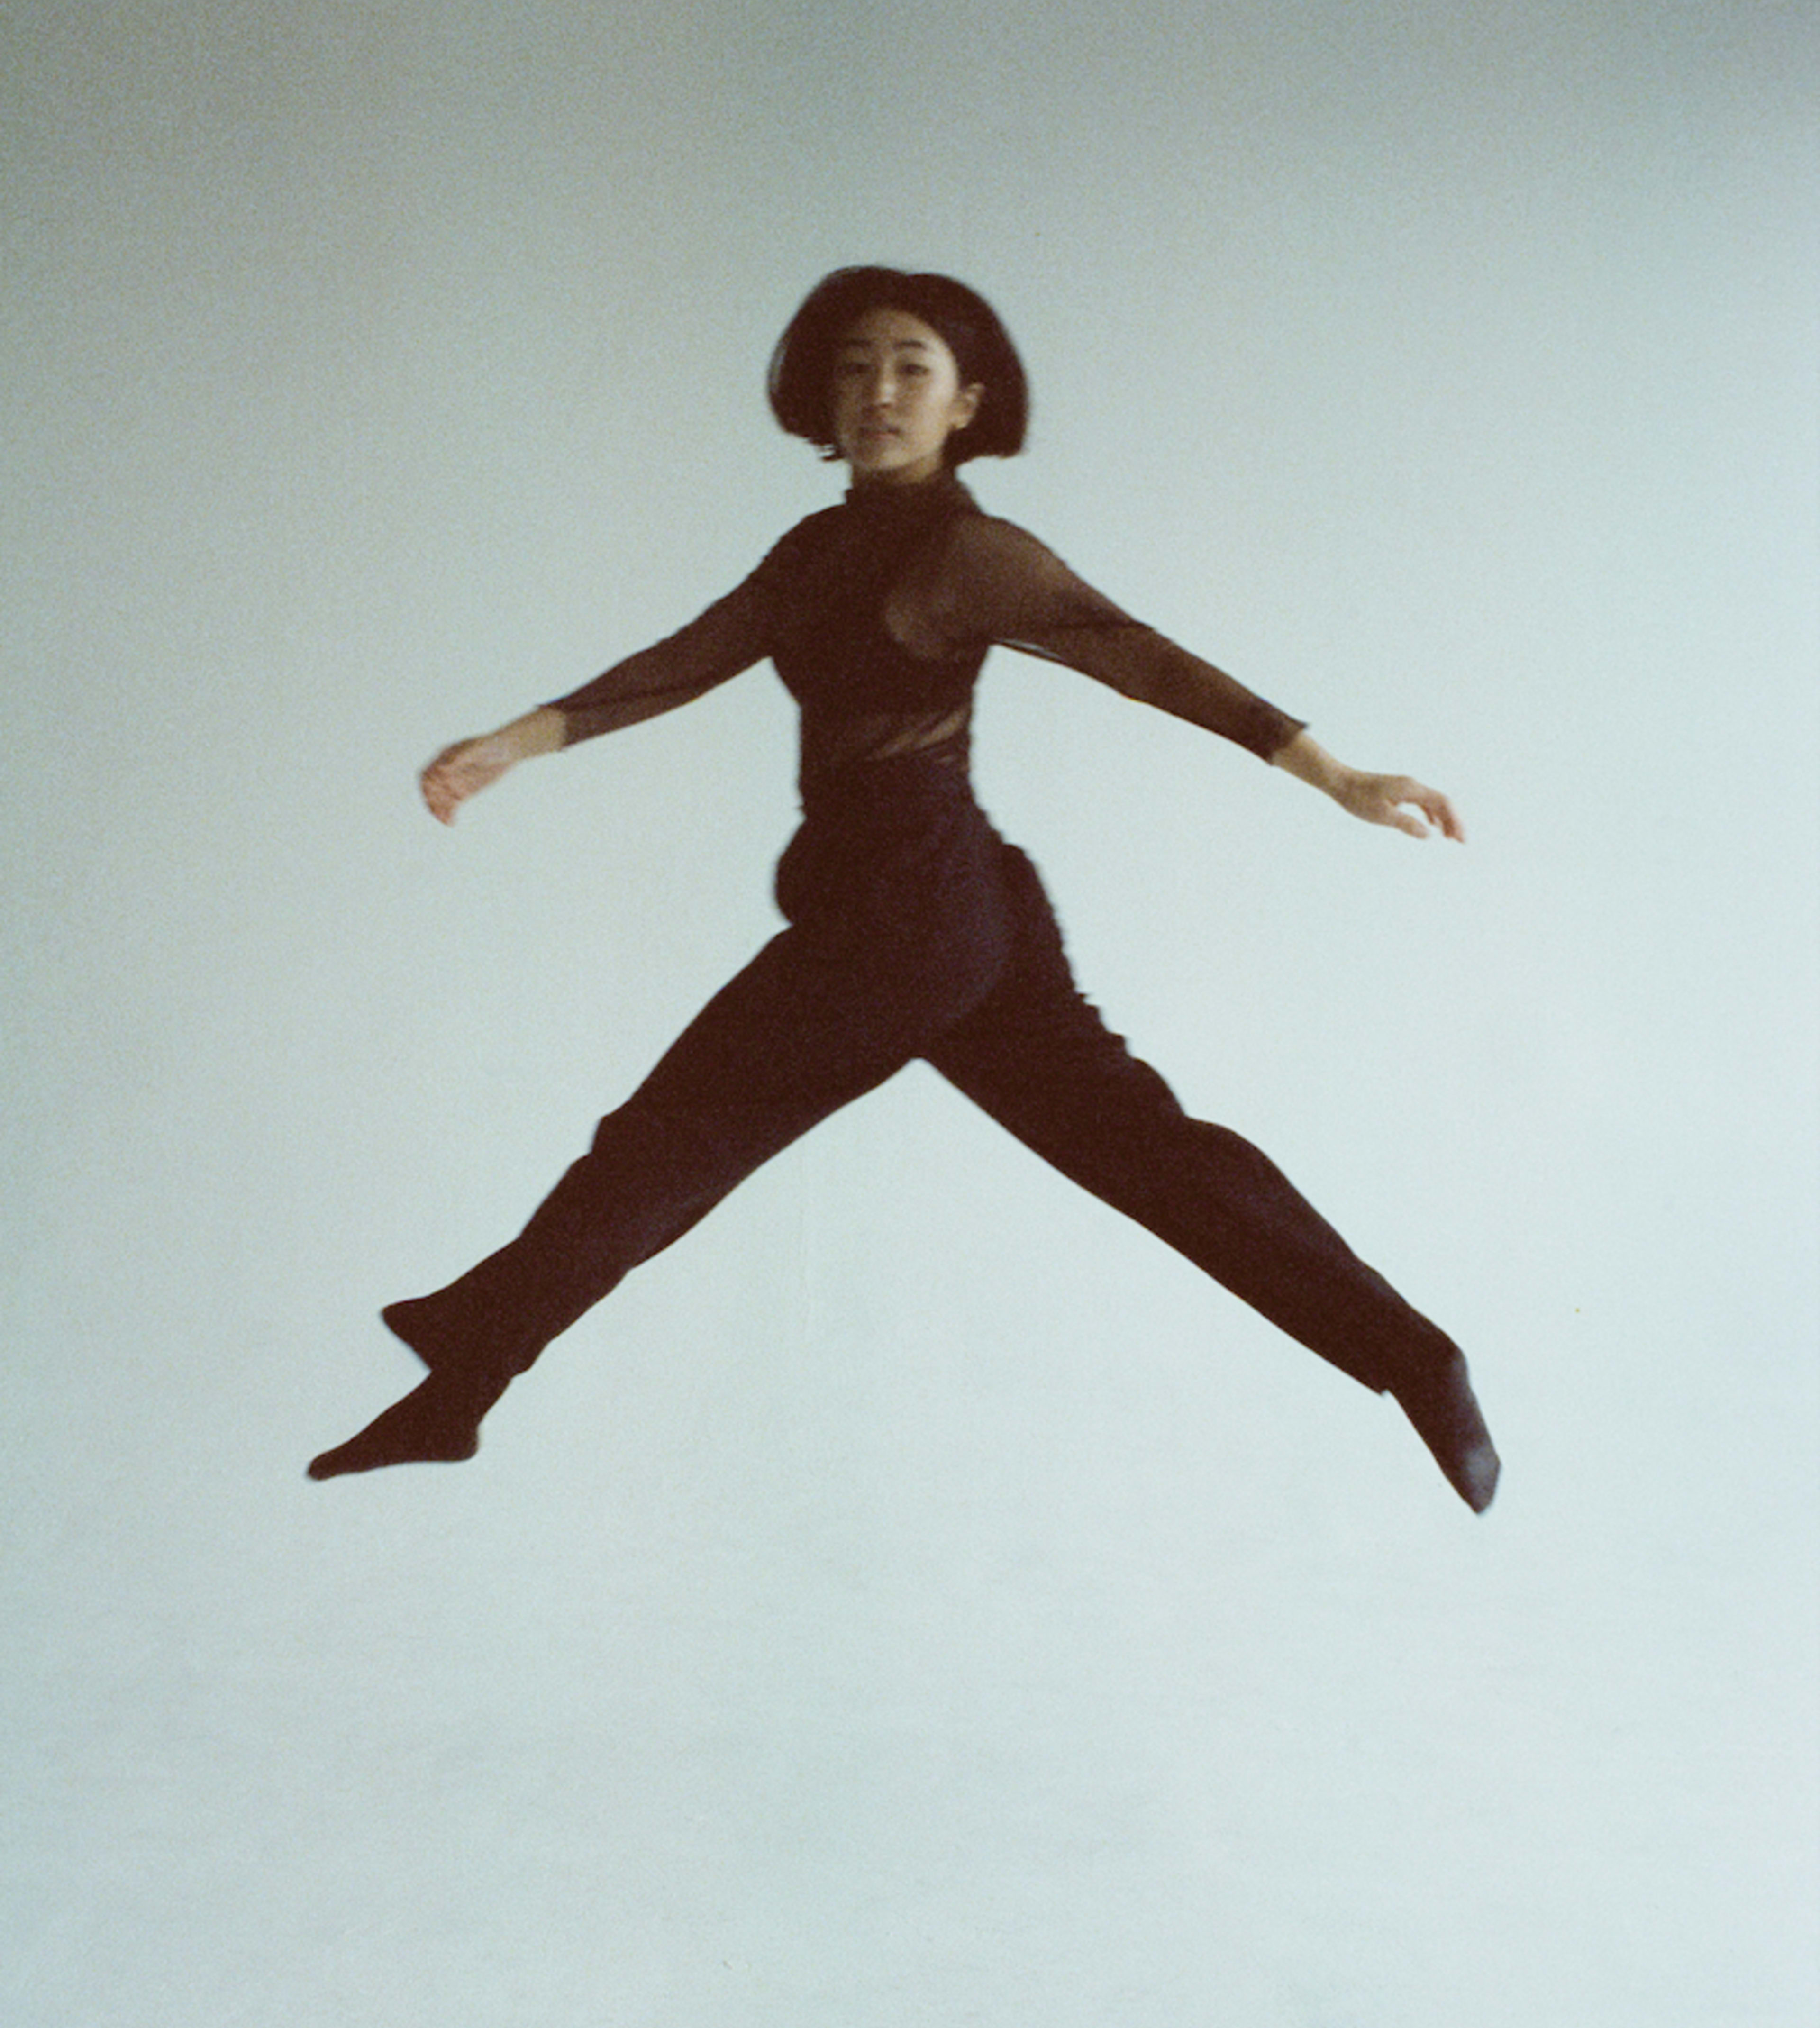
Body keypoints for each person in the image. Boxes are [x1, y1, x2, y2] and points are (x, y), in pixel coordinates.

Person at [309, 266, 1499, 1510]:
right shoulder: (816, 548)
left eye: (912, 368)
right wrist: (515, 742)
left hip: (909, 914)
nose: (878, 391)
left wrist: (1337, 775)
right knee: (1149, 1154)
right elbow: (685, 661)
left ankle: (466, 1367)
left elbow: (1144, 659)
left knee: (672, 1139)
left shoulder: (975, 555)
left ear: (968, 402)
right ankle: (1417, 1359)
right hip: (944, 902)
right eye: (858, 366)